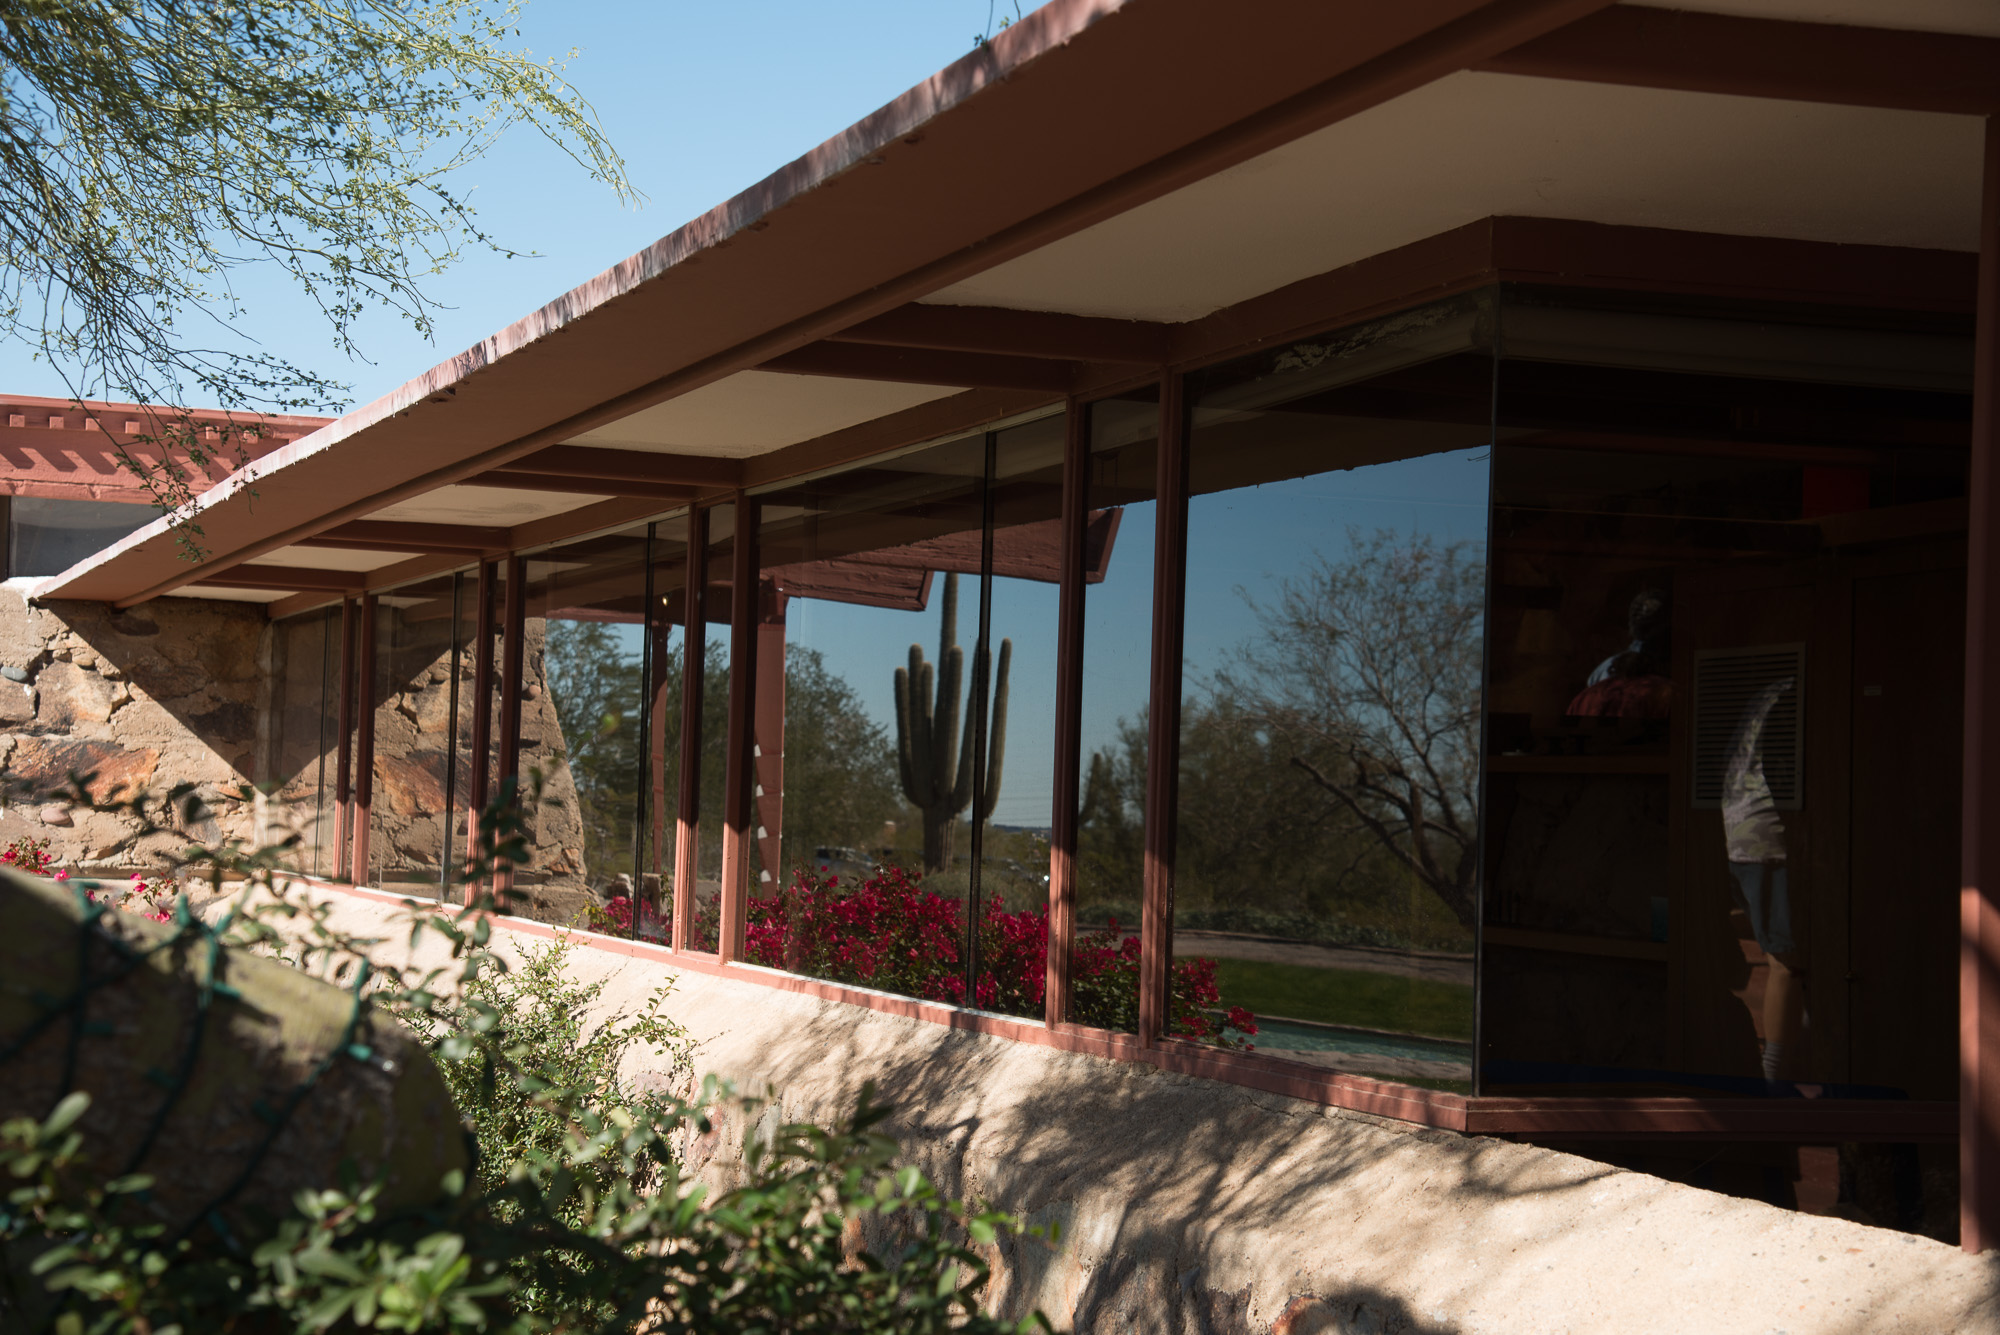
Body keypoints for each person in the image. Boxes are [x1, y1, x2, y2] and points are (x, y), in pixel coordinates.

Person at [1722, 676, 1808, 1087]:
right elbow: (1782, 766)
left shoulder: (1770, 685)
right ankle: (1773, 1078)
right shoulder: (1796, 690)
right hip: (1766, 834)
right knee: (1785, 959)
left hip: (1739, 829)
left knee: (1777, 947)